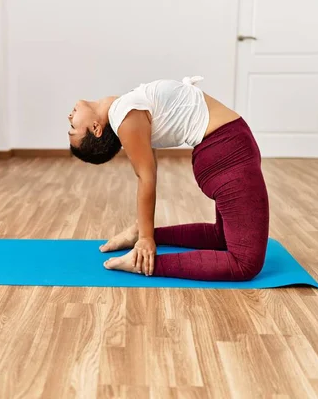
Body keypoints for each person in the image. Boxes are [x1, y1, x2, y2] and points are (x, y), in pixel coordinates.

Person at [67, 76, 269, 281]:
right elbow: (146, 176)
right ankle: (142, 263)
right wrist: (146, 239)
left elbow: (149, 165)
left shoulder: (126, 107)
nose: (69, 118)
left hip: (226, 150)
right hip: (228, 154)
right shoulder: (124, 114)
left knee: (222, 236)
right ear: (95, 128)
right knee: (245, 263)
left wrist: (146, 233)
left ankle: (144, 236)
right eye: (73, 129)